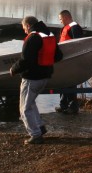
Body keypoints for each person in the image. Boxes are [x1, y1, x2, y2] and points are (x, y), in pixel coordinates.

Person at [10, 16, 63, 144]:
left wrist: (13, 69)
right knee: (31, 102)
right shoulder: (48, 34)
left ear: (28, 25)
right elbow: (58, 56)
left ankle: (35, 135)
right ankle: (40, 127)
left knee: (24, 108)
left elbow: (25, 60)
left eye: (24, 28)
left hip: (31, 78)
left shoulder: (33, 37)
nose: (24, 31)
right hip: (45, 76)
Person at [55, 10, 84, 114]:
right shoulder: (66, 28)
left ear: (66, 17)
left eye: (60, 19)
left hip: (71, 61)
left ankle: (73, 106)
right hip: (64, 61)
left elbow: (78, 44)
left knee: (70, 84)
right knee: (63, 83)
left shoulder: (74, 28)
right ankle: (63, 105)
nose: (60, 21)